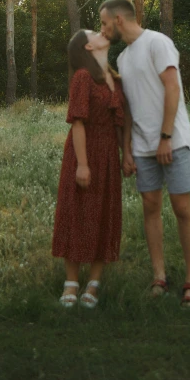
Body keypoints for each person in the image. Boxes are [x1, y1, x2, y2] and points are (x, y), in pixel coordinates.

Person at [99, 0, 190, 308]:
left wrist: (165, 137)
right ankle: (159, 276)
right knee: (150, 208)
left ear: (119, 19)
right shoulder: (124, 59)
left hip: (173, 140)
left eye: (105, 23)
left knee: (182, 207)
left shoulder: (158, 42)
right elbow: (129, 107)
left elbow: (173, 88)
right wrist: (128, 149)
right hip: (143, 147)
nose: (103, 30)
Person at [52, 29, 125, 308]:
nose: (101, 31)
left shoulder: (114, 80)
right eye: (94, 32)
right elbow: (78, 122)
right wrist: (82, 164)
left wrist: (127, 155)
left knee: (104, 212)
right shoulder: (83, 77)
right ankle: (71, 282)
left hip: (107, 154)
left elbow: (120, 125)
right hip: (83, 152)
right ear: (88, 47)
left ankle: (93, 282)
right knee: (77, 210)